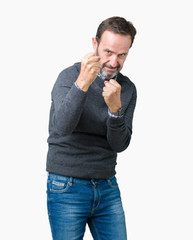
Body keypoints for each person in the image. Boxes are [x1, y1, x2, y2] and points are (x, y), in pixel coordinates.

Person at [46, 16, 137, 240]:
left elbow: (120, 144)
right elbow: (62, 128)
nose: (114, 62)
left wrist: (116, 110)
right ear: (95, 44)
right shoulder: (68, 77)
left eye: (122, 54)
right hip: (66, 185)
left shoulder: (126, 89)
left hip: (107, 186)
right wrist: (82, 85)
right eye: (108, 52)